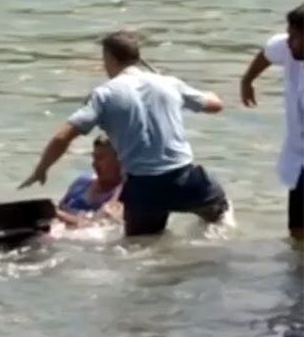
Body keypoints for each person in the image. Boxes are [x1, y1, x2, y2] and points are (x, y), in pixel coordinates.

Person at [19, 30, 229, 236]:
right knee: (221, 216)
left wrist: (41, 169)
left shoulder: (103, 95)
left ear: (109, 58)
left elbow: (63, 136)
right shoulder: (169, 83)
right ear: (137, 58)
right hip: (184, 179)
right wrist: (200, 92)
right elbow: (215, 105)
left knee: (142, 247)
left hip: (143, 190)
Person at [239, 3, 304, 241]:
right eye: (289, 34)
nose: (289, 42)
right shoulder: (287, 47)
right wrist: (247, 80)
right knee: (297, 230)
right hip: (299, 157)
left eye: (295, 37)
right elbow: (268, 52)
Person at [56, 134, 124, 227]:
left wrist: (61, 216)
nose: (94, 164)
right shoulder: (82, 183)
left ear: (120, 161)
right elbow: (58, 209)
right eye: (94, 157)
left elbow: (97, 225)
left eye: (100, 158)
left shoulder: (121, 194)